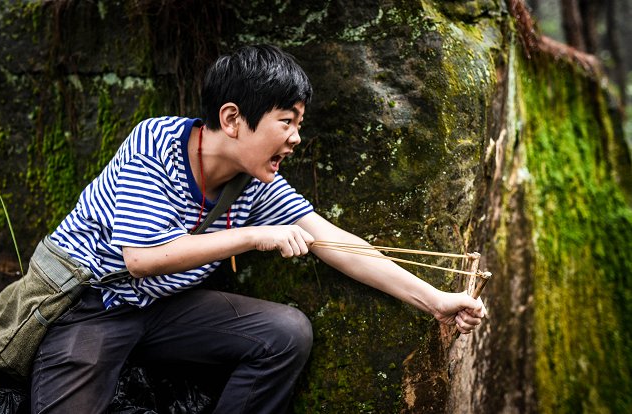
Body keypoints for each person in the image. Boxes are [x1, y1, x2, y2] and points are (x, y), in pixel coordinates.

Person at [30, 44, 486, 413]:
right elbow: (142, 259)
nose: (296, 138)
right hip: (96, 306)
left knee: (285, 333)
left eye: (298, 124)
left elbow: (336, 243)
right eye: (285, 121)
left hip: (164, 310)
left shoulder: (258, 181)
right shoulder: (155, 144)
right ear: (231, 119)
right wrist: (254, 236)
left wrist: (436, 301)